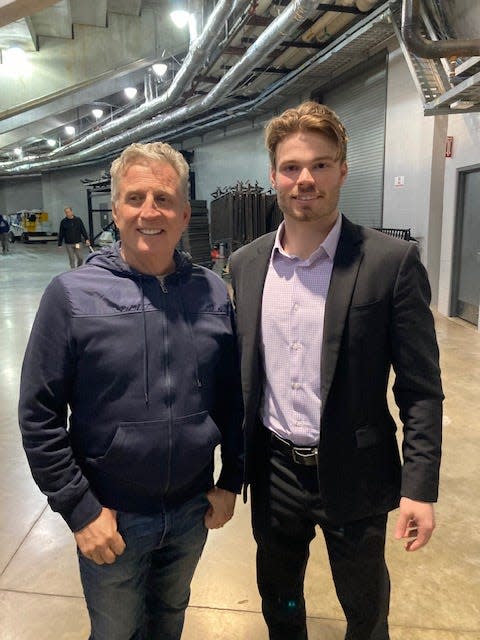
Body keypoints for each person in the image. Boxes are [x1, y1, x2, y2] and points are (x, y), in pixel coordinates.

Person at [229, 101, 443, 640]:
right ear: (273, 175)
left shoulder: (390, 262)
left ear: (344, 170)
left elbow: (420, 389)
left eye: (321, 165)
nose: (306, 179)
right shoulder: (246, 265)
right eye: (292, 167)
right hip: (275, 470)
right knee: (279, 604)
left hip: (358, 470)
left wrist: (420, 487)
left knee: (366, 613)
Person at [19, 141, 243, 640]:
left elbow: (233, 396)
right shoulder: (73, 296)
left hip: (191, 512)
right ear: (116, 211)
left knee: (169, 622)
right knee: (116, 632)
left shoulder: (210, 292)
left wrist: (232, 480)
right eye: (135, 198)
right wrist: (80, 510)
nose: (149, 212)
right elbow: (39, 415)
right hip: (111, 518)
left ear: (185, 213)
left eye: (163, 199)